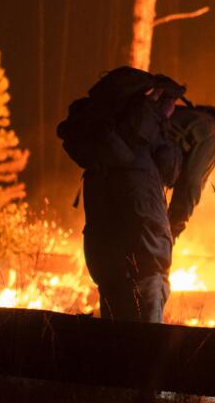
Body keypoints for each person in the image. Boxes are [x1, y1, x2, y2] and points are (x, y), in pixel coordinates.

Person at [59, 67, 186, 322]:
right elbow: (171, 172)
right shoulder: (148, 136)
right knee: (147, 342)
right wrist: (163, 124)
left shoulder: (99, 147)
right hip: (146, 255)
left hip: (105, 259)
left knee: (113, 334)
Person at [165, 103, 215, 240]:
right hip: (137, 169)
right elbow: (191, 181)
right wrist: (175, 225)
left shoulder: (181, 117)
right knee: (154, 249)